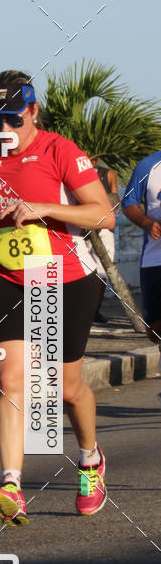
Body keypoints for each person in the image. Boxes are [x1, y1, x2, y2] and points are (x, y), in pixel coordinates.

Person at [0, 70, 115, 523]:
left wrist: (46, 208)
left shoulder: (60, 150)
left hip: (66, 275)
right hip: (10, 275)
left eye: (12, 119)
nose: (3, 130)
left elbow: (104, 215)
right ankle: (11, 486)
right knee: (13, 379)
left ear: (33, 112)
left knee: (64, 386)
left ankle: (90, 458)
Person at [121, 151, 161, 404]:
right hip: (155, 259)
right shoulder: (149, 165)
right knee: (155, 331)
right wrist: (147, 222)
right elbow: (129, 202)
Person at [89, 157, 120, 324]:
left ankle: (95, 310)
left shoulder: (107, 174)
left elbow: (116, 201)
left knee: (103, 269)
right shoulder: (73, 171)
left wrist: (103, 201)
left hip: (104, 226)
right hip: (81, 224)